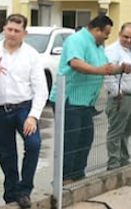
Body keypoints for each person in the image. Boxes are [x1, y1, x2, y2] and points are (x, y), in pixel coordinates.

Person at [0, 14, 48, 208]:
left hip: (23, 108)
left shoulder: (31, 55)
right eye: (9, 29)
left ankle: (25, 189)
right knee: (6, 154)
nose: (12, 34)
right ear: (4, 29)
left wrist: (33, 116)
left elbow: (41, 89)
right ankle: (11, 194)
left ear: (24, 33)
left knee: (33, 144)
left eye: (17, 31)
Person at [50, 15, 121, 182]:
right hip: (69, 99)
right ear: (97, 30)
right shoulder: (77, 40)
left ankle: (77, 174)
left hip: (86, 102)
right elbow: (75, 63)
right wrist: (99, 70)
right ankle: (64, 178)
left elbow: (105, 67)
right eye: (106, 33)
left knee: (85, 138)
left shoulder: (98, 46)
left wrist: (120, 69)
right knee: (70, 140)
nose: (106, 37)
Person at [104, 22, 131, 168]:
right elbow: (108, 73)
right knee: (116, 131)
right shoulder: (112, 51)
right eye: (125, 37)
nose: (129, 40)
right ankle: (114, 163)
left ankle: (124, 160)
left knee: (127, 131)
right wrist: (116, 92)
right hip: (121, 97)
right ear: (119, 35)